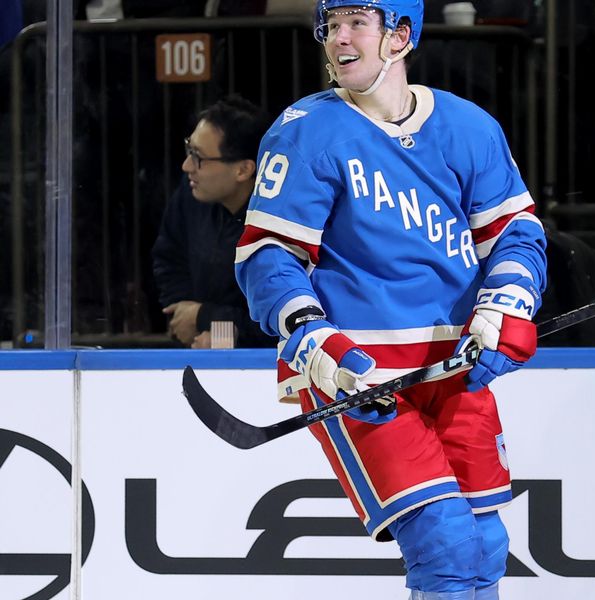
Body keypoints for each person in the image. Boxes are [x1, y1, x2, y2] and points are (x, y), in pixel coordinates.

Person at [235, 1, 547, 598]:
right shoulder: (305, 131)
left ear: (400, 36)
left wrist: (506, 301)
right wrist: (309, 334)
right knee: (445, 544)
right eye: (332, 25)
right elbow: (268, 254)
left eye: (357, 23)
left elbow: (515, 232)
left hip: (453, 368)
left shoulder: (468, 127)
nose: (339, 38)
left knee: (485, 545)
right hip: (360, 376)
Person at [152, 96, 274, 349]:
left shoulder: (279, 224)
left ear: (243, 170)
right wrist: (184, 315)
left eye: (198, 157)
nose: (187, 166)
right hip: (196, 344)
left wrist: (207, 320)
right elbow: (168, 257)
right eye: (189, 149)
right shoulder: (193, 193)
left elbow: (281, 322)